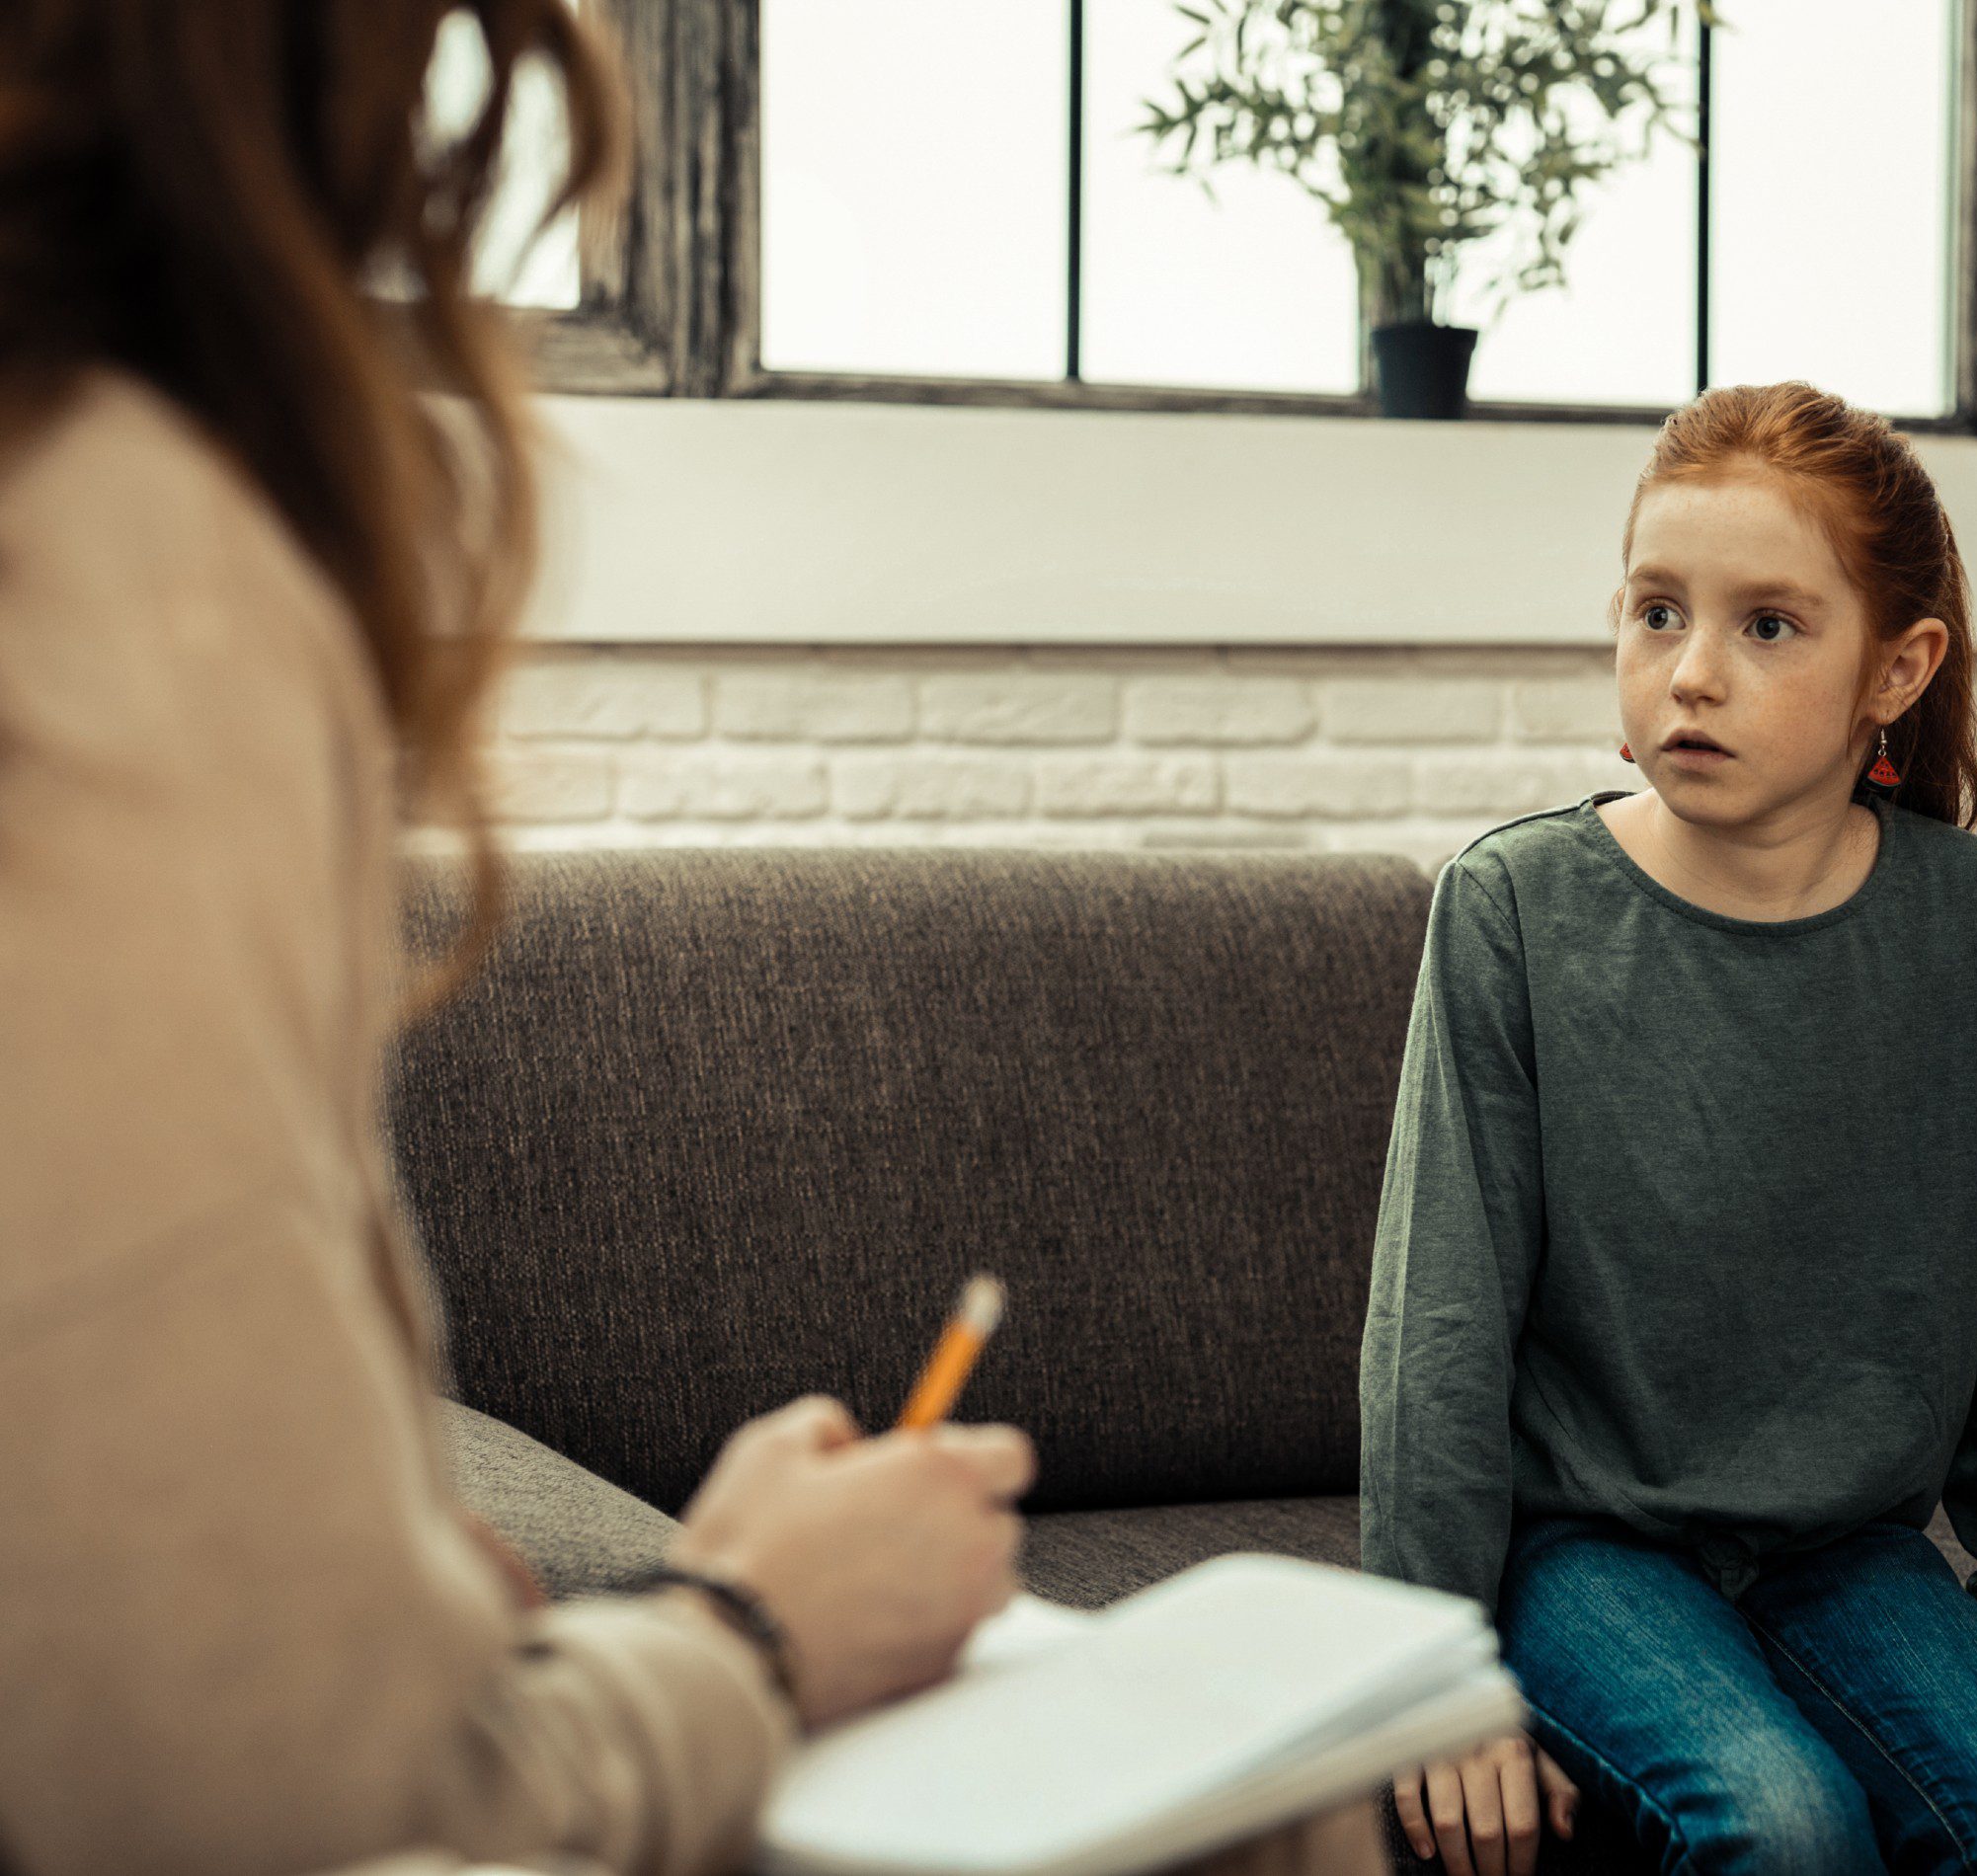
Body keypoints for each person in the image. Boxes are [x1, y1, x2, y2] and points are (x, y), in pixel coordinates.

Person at [0, 7, 1382, 1876]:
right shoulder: (122, 584)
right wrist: (747, 1625)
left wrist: (428, 1571)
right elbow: (307, 1809)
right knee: (1286, 1819)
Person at [1358, 382, 1977, 1876]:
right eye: (1657, 613)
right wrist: (1429, 1674)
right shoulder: (1513, 913)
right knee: (1784, 1824)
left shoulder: (1976, 924)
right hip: (1582, 1550)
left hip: (1848, 1550)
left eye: (1769, 626)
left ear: (1898, 668)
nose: (1693, 675)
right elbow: (1439, 1334)